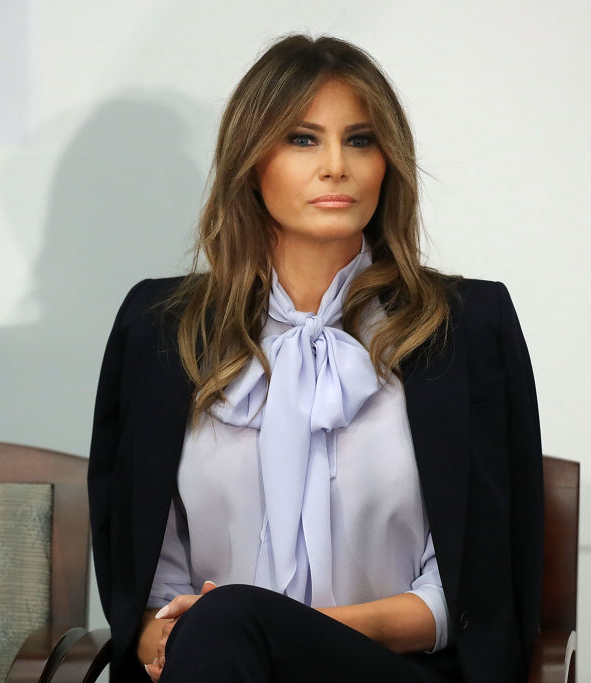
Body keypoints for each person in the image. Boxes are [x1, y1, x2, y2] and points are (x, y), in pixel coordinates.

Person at [88, 34, 543, 683]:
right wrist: (160, 635)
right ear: (252, 159)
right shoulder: (161, 329)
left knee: (226, 624)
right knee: (220, 636)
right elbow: (146, 576)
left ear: (388, 162)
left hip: (400, 672)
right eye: (304, 139)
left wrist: (280, 632)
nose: (337, 165)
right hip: (212, 665)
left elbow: (476, 585)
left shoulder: (466, 326)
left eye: (360, 140)